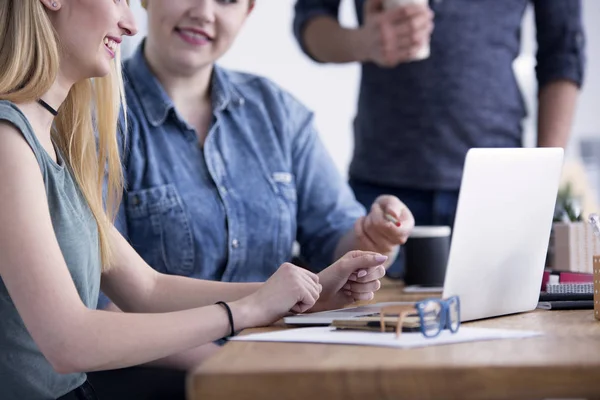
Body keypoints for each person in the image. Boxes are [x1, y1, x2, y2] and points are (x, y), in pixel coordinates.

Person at [0, 1, 388, 399]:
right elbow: (69, 343)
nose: (131, 24)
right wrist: (245, 312)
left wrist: (310, 294)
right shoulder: (8, 140)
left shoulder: (56, 139)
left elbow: (146, 289)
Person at [293, 0, 586, 275]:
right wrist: (364, 42)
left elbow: (563, 51)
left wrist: (543, 180)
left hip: (496, 184)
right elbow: (311, 17)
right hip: (383, 190)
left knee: (503, 320)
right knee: (368, 316)